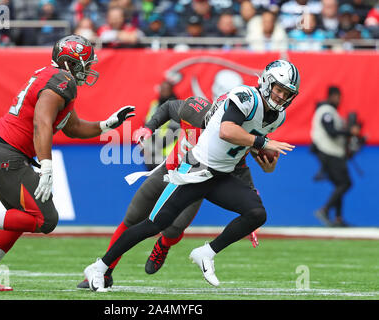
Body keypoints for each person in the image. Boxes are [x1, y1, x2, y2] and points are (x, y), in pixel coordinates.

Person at [83, 60, 300, 292]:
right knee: (152, 224)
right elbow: (227, 130)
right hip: (193, 169)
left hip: (220, 175)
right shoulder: (240, 99)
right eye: (279, 89)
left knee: (256, 213)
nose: (281, 97)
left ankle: (206, 253)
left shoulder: (276, 117)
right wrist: (148, 127)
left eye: (287, 93)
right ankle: (100, 267)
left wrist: (268, 164)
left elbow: (245, 161)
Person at [0, 35, 135, 291]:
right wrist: (47, 165)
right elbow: (42, 122)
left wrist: (107, 124)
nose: (89, 69)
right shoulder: (62, 81)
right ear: (70, 63)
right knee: (45, 219)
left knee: (20, 216)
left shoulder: (55, 77)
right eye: (86, 63)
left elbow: (71, 127)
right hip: (8, 153)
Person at [77, 96, 260, 289]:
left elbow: (240, 168)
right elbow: (169, 107)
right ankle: (105, 273)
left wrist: (251, 207)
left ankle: (164, 244)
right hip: (169, 170)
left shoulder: (232, 137)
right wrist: (149, 127)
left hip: (194, 181)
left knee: (173, 229)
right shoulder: (195, 110)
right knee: (133, 217)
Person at [311, 86, 360, 227]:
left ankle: (338, 218)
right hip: (329, 152)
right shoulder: (326, 111)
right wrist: (349, 132)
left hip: (331, 153)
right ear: (333, 96)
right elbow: (331, 132)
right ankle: (324, 210)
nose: (339, 101)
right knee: (345, 183)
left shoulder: (330, 112)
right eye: (338, 97)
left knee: (340, 184)